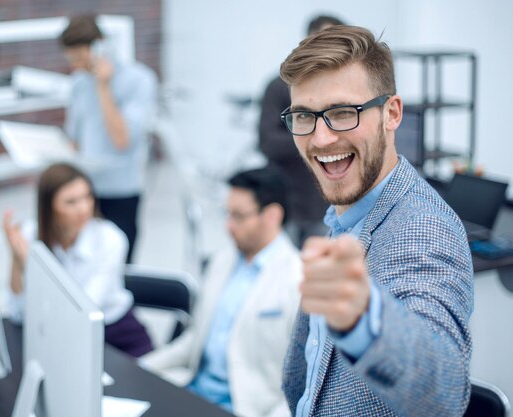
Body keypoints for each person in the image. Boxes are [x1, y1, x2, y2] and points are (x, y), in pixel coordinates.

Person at [278, 26, 474, 416]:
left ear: (392, 113)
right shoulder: (346, 216)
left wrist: (364, 319)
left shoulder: (422, 229)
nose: (320, 139)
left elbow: (444, 394)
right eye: (305, 116)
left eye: (342, 113)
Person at [141, 166, 302, 417]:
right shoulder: (222, 262)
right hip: (191, 391)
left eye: (238, 216)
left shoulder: (298, 280)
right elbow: (195, 341)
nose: (228, 226)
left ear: (272, 216)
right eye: (228, 214)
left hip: (242, 408)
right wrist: (140, 369)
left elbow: (299, 384)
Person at [3, 162, 153, 357]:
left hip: (115, 334)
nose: (84, 208)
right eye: (71, 202)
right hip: (62, 336)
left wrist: (30, 267)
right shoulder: (30, 234)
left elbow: (81, 313)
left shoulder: (110, 239)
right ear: (49, 207)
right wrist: (17, 260)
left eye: (87, 197)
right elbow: (18, 312)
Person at [60, 15, 158, 263]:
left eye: (81, 59)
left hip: (120, 191)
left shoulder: (140, 80)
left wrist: (102, 86)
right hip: (85, 192)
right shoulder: (78, 83)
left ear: (99, 47)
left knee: (118, 267)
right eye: (72, 60)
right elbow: (74, 139)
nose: (77, 66)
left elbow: (122, 139)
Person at [258, 14, 345, 246]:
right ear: (308, 41)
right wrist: (312, 135)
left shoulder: (344, 93)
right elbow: (268, 143)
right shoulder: (278, 88)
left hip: (325, 204)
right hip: (285, 202)